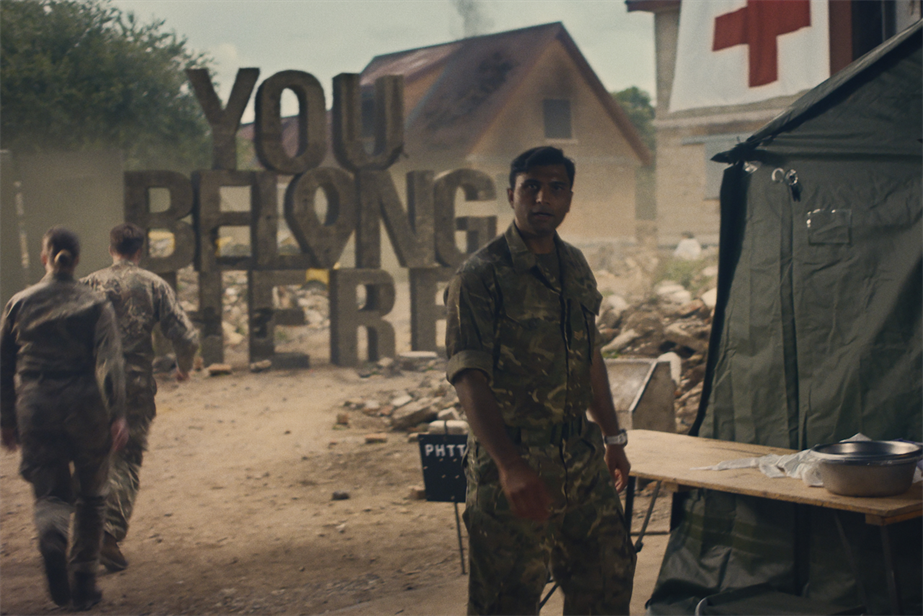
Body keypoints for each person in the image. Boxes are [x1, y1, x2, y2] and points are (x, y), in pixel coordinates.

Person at [445, 146, 636, 615]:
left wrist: (613, 437)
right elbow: (469, 377)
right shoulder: (480, 275)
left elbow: (589, 355)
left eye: (555, 187)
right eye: (530, 186)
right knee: (507, 599)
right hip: (514, 461)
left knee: (609, 580)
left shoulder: (574, 266)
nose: (542, 197)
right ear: (511, 195)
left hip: (582, 458)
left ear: (569, 199)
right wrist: (510, 464)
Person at [1, 227, 128, 610]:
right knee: (91, 496)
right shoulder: (95, 303)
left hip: (35, 404)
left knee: (50, 491)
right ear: (75, 260)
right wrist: (118, 412)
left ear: (45, 258)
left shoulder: (19, 303)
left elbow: (4, 364)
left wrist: (6, 417)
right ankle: (85, 582)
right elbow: (110, 362)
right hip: (85, 404)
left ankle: (53, 536)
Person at [82, 222, 198, 572]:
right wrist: (184, 366)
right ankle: (107, 532)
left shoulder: (87, 284)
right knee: (127, 458)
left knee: (91, 457)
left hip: (89, 384)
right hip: (132, 384)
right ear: (139, 251)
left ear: (111, 249)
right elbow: (186, 336)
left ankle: (71, 532)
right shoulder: (154, 284)